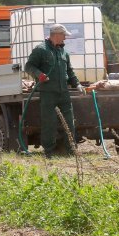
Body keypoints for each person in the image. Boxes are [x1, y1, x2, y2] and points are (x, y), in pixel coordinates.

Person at [25, 23, 84, 157]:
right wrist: (39, 75)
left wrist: (77, 85)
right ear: (56, 35)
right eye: (64, 35)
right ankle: (49, 152)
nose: (65, 38)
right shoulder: (40, 50)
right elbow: (29, 66)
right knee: (49, 122)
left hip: (64, 93)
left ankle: (70, 151)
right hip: (48, 93)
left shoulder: (64, 52)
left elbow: (69, 71)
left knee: (69, 122)